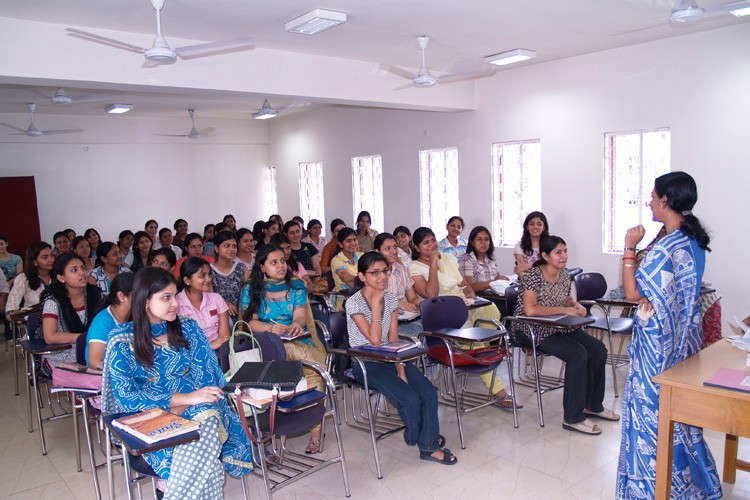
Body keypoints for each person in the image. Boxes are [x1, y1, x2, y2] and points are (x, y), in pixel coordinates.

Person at [102, 268, 253, 498]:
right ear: (144, 301)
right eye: (166, 297)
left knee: (208, 417)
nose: (175, 303)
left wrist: (185, 406)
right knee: (206, 458)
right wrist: (185, 400)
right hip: (151, 418)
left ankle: (170, 492)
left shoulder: (189, 328)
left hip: (199, 409)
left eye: (175, 295)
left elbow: (208, 378)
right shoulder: (122, 340)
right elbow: (127, 397)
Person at [617, 172, 721, 499]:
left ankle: (650, 489)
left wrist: (629, 248)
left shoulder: (667, 247)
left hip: (657, 348)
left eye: (652, 195)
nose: (649, 201)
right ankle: (688, 486)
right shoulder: (694, 241)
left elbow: (633, 293)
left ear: (665, 200)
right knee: (683, 419)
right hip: (685, 343)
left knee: (652, 418)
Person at [346, 251, 457, 465]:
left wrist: (401, 369)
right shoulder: (354, 303)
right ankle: (418, 436)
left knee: (428, 392)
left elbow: (393, 338)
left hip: (390, 358)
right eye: (375, 272)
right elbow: (375, 341)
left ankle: (428, 445)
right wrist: (377, 307)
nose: (382, 277)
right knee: (409, 399)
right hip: (365, 362)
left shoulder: (389, 298)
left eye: (385, 271)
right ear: (362, 276)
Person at [514, 235, 616, 434]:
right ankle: (573, 417)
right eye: (558, 252)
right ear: (545, 255)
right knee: (577, 354)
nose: (564, 256)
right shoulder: (534, 275)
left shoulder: (564, 275)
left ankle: (592, 405)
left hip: (557, 325)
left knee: (598, 349)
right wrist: (565, 310)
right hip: (531, 328)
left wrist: (574, 305)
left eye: (565, 251)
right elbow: (530, 310)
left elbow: (566, 297)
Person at [410, 227, 516, 408]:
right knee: (475, 339)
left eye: (433, 240)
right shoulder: (414, 267)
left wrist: (472, 298)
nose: (431, 245)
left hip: (463, 304)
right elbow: (430, 293)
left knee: (492, 311)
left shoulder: (449, 258)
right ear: (417, 247)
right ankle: (498, 390)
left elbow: (464, 284)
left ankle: (472, 350)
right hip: (441, 313)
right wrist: (434, 264)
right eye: (425, 243)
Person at [239, 244, 328, 454]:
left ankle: (316, 431)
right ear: (262, 267)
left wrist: (297, 324)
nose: (280, 265)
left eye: (282, 261)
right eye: (273, 262)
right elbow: (250, 324)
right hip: (266, 343)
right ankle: (267, 431)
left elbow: (300, 313)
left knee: (314, 370)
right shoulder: (250, 289)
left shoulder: (296, 284)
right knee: (275, 366)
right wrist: (271, 328)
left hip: (297, 339)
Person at [40, 253, 102, 374]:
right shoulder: (53, 301)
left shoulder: (95, 294)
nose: (82, 273)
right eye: (74, 270)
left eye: (83, 268)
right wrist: (86, 338)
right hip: (61, 353)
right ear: (61, 278)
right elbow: (50, 337)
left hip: (91, 348)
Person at [373, 233, 422, 337]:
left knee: (430, 323)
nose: (394, 252)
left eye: (395, 247)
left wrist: (417, 303)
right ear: (377, 252)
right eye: (388, 248)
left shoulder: (400, 269)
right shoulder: (373, 272)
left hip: (403, 317)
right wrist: (399, 304)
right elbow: (375, 299)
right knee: (417, 332)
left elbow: (412, 296)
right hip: (382, 320)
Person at [177, 257, 230, 350]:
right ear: (187, 280)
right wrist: (210, 346)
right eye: (202, 275)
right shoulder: (176, 305)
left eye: (209, 274)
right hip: (192, 357)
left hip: (219, 351)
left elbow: (225, 337)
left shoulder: (216, 299)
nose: (208, 279)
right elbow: (181, 343)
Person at [85, 272, 134, 369]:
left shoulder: (134, 316)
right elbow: (94, 363)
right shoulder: (102, 322)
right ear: (121, 296)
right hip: (103, 378)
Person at [5, 242, 54, 319]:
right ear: (35, 261)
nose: (51, 259)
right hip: (35, 323)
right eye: (45, 257)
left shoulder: (60, 275)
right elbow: (10, 312)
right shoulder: (23, 278)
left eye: (52, 255)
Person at [459, 226, 510, 293]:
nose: (483, 242)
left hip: (495, 294)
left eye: (486, 239)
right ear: (472, 242)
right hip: (479, 297)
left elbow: (497, 277)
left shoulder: (491, 258)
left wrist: (503, 280)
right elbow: (470, 287)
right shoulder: (467, 259)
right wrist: (494, 282)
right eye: (479, 239)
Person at [211, 232, 250, 317]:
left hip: (241, 314)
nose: (231, 249)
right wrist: (224, 303)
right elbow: (208, 296)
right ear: (217, 248)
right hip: (218, 314)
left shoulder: (242, 268)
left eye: (234, 246)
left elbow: (249, 292)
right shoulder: (209, 271)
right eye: (226, 246)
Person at [513, 211, 549, 278]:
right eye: (532, 224)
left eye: (539, 224)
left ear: (544, 227)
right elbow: (521, 269)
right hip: (526, 281)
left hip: (547, 281)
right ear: (527, 227)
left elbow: (551, 266)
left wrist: (530, 266)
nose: (535, 227)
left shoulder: (550, 244)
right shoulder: (519, 246)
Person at [330, 228, 361, 292]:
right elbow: (345, 278)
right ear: (341, 244)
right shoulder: (336, 260)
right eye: (348, 241)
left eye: (355, 240)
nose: (353, 243)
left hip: (363, 293)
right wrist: (363, 279)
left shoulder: (362, 256)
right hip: (344, 297)